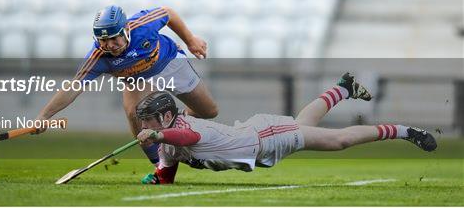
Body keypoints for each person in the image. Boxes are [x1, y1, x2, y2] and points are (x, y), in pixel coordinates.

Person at [135, 73, 437, 184]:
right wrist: (158, 177)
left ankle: (405, 131)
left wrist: (158, 135)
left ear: (164, 117)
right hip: (261, 139)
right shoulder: (166, 146)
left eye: (148, 120)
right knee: (304, 124)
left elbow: (189, 137)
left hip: (265, 137)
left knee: (339, 141)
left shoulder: (181, 129)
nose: (143, 125)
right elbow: (166, 172)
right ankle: (343, 88)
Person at [35, 5, 218, 165]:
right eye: (103, 40)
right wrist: (44, 115)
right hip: (136, 79)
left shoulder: (143, 25)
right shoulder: (98, 56)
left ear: (126, 30)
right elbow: (74, 87)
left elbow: (168, 13)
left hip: (169, 62)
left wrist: (190, 40)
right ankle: (160, 167)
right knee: (134, 114)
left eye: (114, 38)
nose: (110, 46)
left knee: (208, 111)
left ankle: (175, 122)